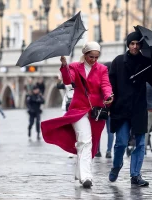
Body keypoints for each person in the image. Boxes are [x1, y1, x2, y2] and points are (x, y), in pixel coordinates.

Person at [41, 41, 113, 188]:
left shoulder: (102, 69)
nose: (94, 60)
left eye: (96, 57)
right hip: (79, 109)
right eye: (91, 56)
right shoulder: (74, 66)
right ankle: (87, 176)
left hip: (96, 111)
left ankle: (80, 174)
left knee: (88, 143)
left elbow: (105, 85)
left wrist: (108, 95)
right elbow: (69, 80)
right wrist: (64, 65)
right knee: (85, 140)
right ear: (85, 54)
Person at [108, 31, 152, 186]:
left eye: (138, 44)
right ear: (128, 45)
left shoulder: (146, 62)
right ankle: (117, 166)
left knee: (140, 144)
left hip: (139, 108)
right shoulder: (118, 61)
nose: (135, 46)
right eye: (132, 43)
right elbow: (111, 84)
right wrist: (110, 101)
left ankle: (135, 175)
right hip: (121, 108)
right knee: (121, 143)